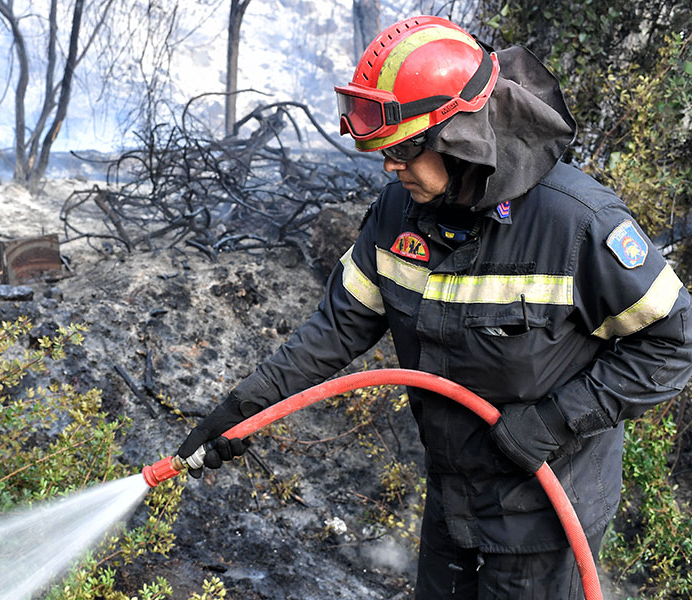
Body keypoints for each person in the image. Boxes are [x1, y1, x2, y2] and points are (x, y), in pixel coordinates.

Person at [176, 15, 692, 599]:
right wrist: (243, 408)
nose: (390, 168)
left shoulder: (576, 225)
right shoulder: (398, 216)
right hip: (455, 503)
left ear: (461, 140)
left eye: (402, 151)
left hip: (546, 516)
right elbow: (334, 330)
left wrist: (555, 420)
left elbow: (675, 342)